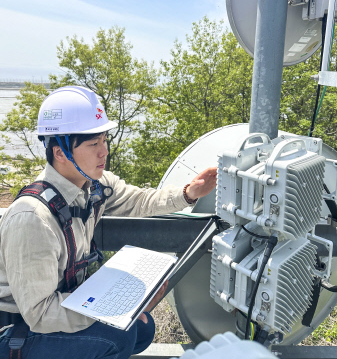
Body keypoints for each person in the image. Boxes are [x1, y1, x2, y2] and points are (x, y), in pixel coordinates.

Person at [0, 86, 217, 359]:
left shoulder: (94, 186)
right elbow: (41, 315)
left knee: (143, 329)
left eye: (105, 140)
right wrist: (117, 308)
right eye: (93, 144)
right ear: (60, 152)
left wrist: (188, 194)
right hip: (16, 331)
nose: (104, 152)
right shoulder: (33, 219)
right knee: (117, 335)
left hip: (46, 318)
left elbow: (139, 201)